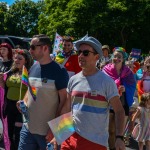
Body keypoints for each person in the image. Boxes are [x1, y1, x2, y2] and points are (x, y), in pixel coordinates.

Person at [59, 36, 125, 150]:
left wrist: (119, 137)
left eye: (85, 53)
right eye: (79, 52)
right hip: (70, 139)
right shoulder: (73, 79)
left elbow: (119, 111)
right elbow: (66, 108)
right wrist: (59, 136)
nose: (80, 56)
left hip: (94, 142)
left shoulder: (106, 82)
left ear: (97, 57)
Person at [17, 34, 69, 150]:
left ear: (45, 48)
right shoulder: (33, 67)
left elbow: (66, 103)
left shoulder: (60, 71)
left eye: (33, 47)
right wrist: (24, 102)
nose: (30, 50)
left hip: (48, 135)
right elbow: (29, 91)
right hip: (28, 129)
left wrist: (57, 131)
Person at [102, 47, 136, 150]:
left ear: (123, 59)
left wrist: (125, 88)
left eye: (119, 57)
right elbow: (101, 84)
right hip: (108, 103)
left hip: (122, 103)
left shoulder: (128, 72)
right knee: (110, 131)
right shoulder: (105, 70)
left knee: (119, 132)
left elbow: (132, 86)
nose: (116, 58)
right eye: (115, 56)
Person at [0, 49, 33, 150]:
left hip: (21, 107)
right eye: (15, 58)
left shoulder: (29, 73)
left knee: (18, 134)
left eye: (20, 58)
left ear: (26, 61)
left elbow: (32, 90)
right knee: (9, 133)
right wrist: (1, 80)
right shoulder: (10, 72)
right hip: (9, 106)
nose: (16, 60)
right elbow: (4, 87)